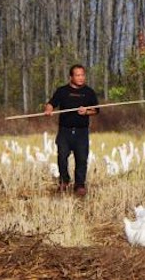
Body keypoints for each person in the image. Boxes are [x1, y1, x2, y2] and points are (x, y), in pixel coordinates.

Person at [44, 64, 99, 196]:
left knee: (81, 159)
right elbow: (51, 103)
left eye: (83, 75)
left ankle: (79, 185)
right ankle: (64, 181)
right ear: (71, 77)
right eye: (78, 75)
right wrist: (49, 109)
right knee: (62, 156)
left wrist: (86, 111)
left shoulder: (89, 92)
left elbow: (96, 110)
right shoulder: (62, 91)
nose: (81, 78)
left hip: (81, 132)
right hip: (65, 131)